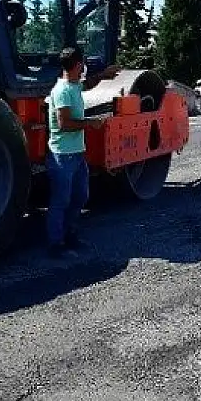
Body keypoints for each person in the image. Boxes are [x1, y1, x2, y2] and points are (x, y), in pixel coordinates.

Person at [46, 47, 120, 257]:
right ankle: (56, 245)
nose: (84, 68)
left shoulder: (73, 85)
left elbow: (87, 84)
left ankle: (70, 235)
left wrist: (104, 75)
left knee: (80, 196)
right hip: (62, 156)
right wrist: (91, 123)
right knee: (61, 200)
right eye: (83, 65)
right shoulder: (62, 91)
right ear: (78, 65)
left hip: (76, 154)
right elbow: (64, 124)